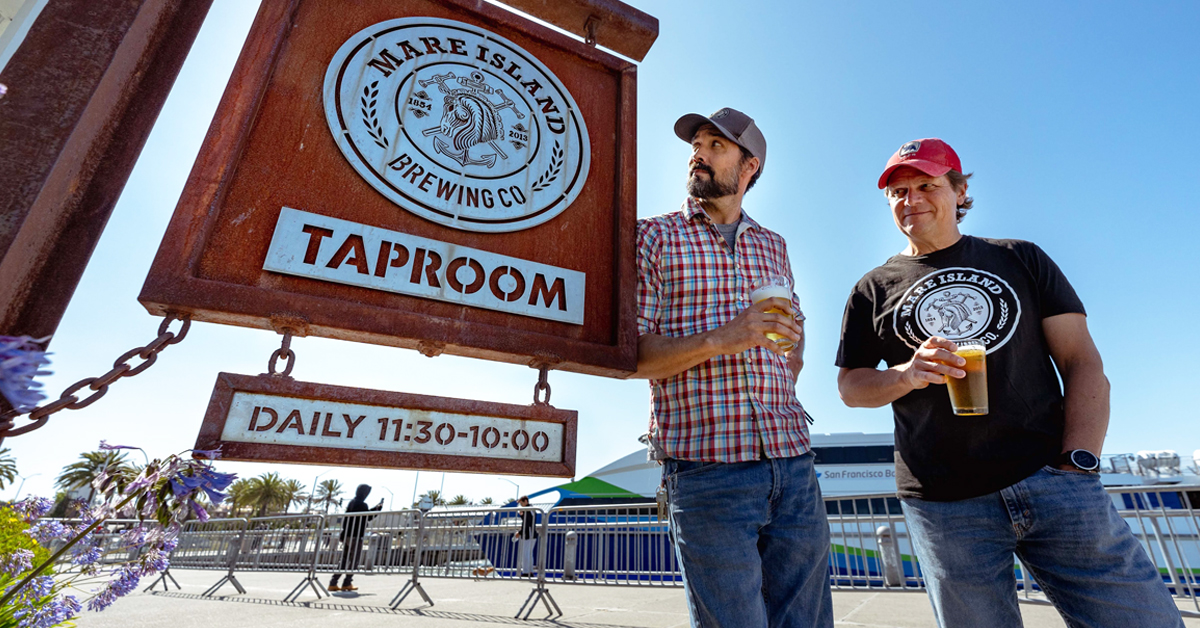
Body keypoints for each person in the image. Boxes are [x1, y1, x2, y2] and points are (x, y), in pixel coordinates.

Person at [835, 138, 1185, 627]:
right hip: (944, 504)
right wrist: (906, 375)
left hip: (1051, 480)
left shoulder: (1020, 257)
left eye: (926, 185)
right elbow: (851, 387)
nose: (910, 199)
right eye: (897, 191)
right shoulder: (872, 288)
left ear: (959, 192)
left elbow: (1082, 361)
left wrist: (1078, 461)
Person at [633, 107, 833, 628]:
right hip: (706, 470)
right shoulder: (654, 236)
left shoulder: (774, 245)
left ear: (750, 167)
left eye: (716, 146)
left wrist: (788, 370)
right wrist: (727, 337)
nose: (698, 154)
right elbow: (632, 354)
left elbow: (796, 327)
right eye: (696, 145)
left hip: (792, 463)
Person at [327, 483, 383, 592]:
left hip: (347, 535)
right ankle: (347, 583)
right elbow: (368, 517)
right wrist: (378, 509)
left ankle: (333, 583)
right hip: (356, 536)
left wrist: (375, 508)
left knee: (344, 559)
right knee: (354, 560)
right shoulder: (362, 504)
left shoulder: (352, 502)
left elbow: (364, 514)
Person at [512, 495, 537, 576]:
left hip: (528, 534)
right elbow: (529, 521)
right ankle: (530, 571)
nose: (521, 505)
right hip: (532, 533)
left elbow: (526, 523)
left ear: (526, 501)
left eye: (521, 503)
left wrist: (520, 532)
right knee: (529, 553)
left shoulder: (528, 509)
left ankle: (526, 572)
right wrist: (522, 515)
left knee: (526, 553)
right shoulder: (532, 509)